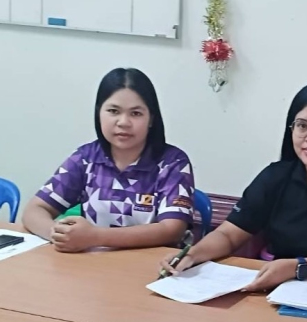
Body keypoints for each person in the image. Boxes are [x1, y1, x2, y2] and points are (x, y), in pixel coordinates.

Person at [160, 81, 307, 292]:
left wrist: (297, 267)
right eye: (302, 126)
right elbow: (229, 234)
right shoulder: (276, 177)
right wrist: (192, 254)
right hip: (288, 292)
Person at [23, 68, 194, 253]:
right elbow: (34, 210)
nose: (123, 122)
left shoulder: (172, 163)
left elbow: (172, 229)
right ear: (99, 113)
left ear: (151, 119)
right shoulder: (86, 159)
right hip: (92, 263)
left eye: (136, 113)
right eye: (113, 111)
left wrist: (95, 237)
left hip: (151, 264)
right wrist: (59, 235)